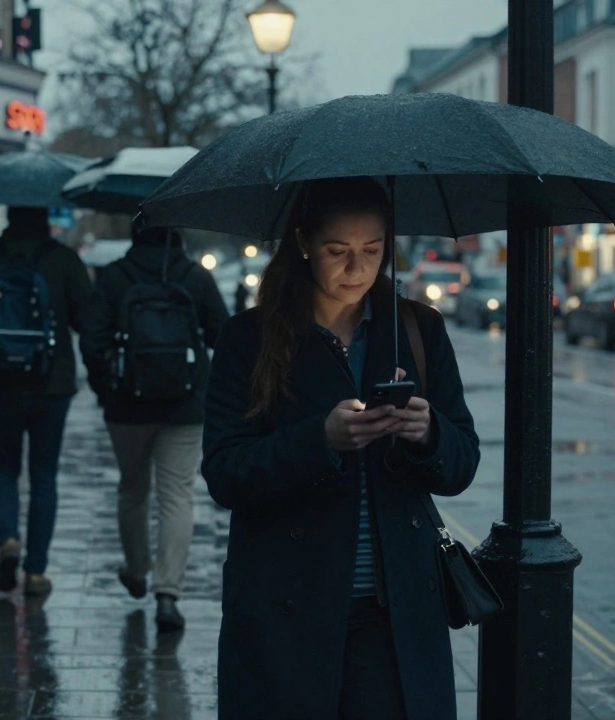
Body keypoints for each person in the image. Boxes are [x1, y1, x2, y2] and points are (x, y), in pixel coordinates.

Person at [202, 177, 480, 719]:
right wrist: (318, 441)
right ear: (304, 243)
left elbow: (462, 462)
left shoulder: (417, 331)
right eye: (337, 251)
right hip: (287, 606)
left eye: (372, 251)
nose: (356, 268)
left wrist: (429, 434)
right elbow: (224, 472)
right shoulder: (248, 339)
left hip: (394, 609)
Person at [79, 225, 229, 633]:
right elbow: (224, 334)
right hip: (184, 406)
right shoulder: (195, 277)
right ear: (177, 236)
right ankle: (168, 593)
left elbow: (91, 342)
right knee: (177, 494)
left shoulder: (114, 276)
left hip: (127, 406)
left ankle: (137, 569)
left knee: (132, 488)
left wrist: (105, 387)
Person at [0, 206, 93, 598]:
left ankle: (8, 538)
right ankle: (35, 571)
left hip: (1, 383)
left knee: (4, 468)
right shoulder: (62, 260)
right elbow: (88, 318)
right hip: (53, 383)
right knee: (44, 476)